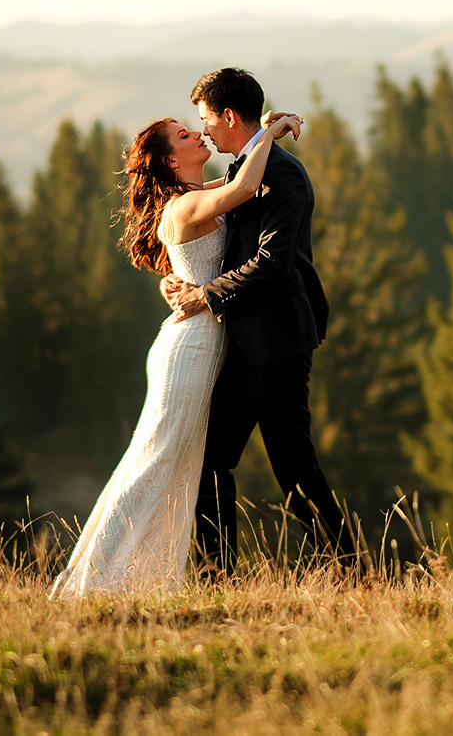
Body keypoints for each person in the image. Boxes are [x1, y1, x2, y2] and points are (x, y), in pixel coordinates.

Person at [50, 108, 301, 596]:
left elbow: (231, 200)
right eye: (184, 135)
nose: (198, 133)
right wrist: (269, 130)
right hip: (188, 349)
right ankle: (93, 581)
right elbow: (245, 188)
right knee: (157, 459)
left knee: (178, 462)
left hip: (201, 340)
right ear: (169, 162)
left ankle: (136, 578)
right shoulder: (182, 206)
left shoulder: (195, 196)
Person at [163, 67, 349, 577]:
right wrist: (179, 280)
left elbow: (272, 264)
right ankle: (217, 575)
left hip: (279, 341)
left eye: (206, 120)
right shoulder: (247, 168)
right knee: (211, 461)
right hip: (245, 344)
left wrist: (204, 295)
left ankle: (352, 570)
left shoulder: (282, 176)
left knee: (293, 468)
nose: (204, 131)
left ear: (229, 116)